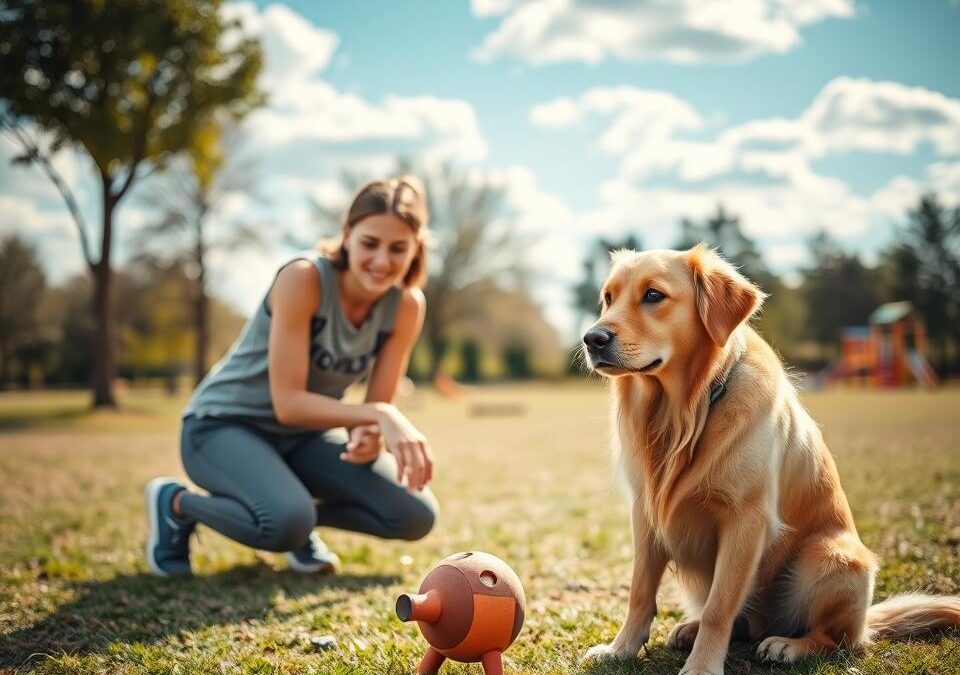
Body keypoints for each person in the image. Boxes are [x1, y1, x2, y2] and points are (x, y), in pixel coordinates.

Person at [145, 176, 438, 577]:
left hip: (302, 439)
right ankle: (177, 504)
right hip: (220, 427)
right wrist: (382, 416)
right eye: (370, 243)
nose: (382, 261)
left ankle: (292, 509)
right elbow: (289, 404)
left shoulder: (406, 306)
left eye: (398, 248)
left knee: (413, 514)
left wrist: (368, 438)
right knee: (285, 521)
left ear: (415, 249)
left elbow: (370, 413)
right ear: (348, 234)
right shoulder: (303, 278)